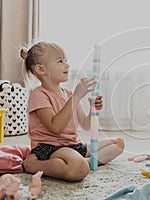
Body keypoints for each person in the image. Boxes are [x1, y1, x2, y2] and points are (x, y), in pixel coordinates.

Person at [20, 41, 125, 181]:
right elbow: (56, 127)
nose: (67, 65)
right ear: (41, 69)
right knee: (77, 170)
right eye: (60, 61)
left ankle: (83, 163)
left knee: (119, 143)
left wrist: (93, 110)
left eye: (66, 60)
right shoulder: (39, 95)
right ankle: (34, 165)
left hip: (73, 146)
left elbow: (85, 125)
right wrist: (76, 97)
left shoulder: (69, 94)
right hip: (50, 148)